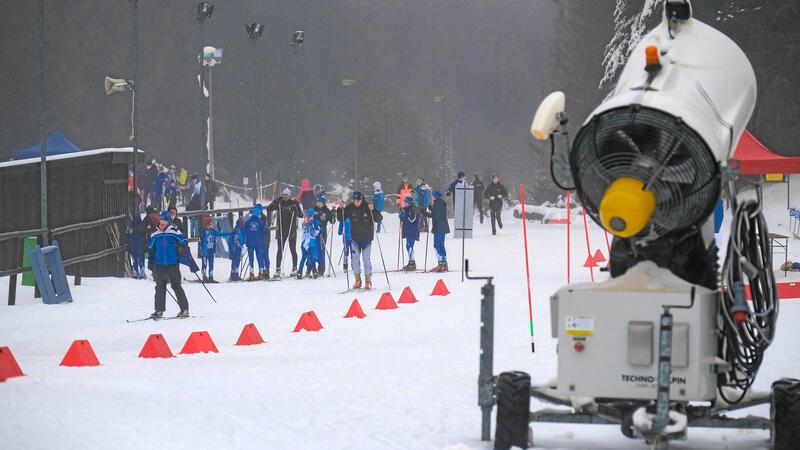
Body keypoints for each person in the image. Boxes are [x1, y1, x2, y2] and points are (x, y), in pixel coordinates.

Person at [147, 212, 190, 319]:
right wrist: (150, 263)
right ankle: (159, 310)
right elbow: (151, 250)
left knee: (176, 285)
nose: (162, 223)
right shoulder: (155, 234)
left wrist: (181, 248)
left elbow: (183, 243)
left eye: (165, 221)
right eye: (161, 221)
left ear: (169, 222)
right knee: (160, 287)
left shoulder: (174, 232)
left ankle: (184, 309)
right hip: (160, 265)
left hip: (172, 264)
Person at [336, 191, 382, 289]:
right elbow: (341, 218)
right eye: (355, 201)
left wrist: (373, 210)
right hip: (355, 239)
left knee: (366, 260)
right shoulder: (350, 207)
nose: (356, 203)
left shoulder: (367, 206)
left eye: (358, 201)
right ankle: (357, 280)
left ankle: (368, 281)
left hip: (366, 239)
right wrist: (340, 209)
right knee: (355, 260)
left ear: (362, 199)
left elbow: (379, 218)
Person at [267, 188, 302, 278]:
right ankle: (278, 269)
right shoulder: (280, 203)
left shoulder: (293, 203)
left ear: (289, 195)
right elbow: (269, 209)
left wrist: (297, 206)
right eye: (283, 194)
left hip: (291, 230)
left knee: (293, 249)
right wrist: (276, 201)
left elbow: (301, 215)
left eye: (286, 195)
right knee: (280, 250)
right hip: (281, 231)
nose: (285, 196)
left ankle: (294, 268)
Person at [424, 191, 450, 272]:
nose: (431, 197)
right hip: (442, 227)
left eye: (432, 196)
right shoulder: (440, 203)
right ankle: (444, 263)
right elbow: (437, 213)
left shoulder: (437, 204)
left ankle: (440, 263)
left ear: (435, 197)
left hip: (438, 228)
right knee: (441, 245)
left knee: (436, 245)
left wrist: (424, 213)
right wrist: (431, 209)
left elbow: (434, 215)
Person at [199, 216, 229, 283]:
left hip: (211, 251)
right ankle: (204, 277)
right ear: (207, 224)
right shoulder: (203, 231)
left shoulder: (212, 231)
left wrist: (228, 233)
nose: (212, 225)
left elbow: (219, 234)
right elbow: (201, 239)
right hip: (205, 252)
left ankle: (211, 277)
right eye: (210, 224)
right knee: (204, 264)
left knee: (211, 264)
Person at [244, 205, 269, 281]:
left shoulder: (248, 222)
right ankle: (261, 273)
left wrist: (246, 240)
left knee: (251, 258)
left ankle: (251, 273)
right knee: (259, 258)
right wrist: (261, 240)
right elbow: (263, 233)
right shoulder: (261, 222)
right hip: (258, 243)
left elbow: (245, 232)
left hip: (250, 243)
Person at [313, 195, 335, 276]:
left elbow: (332, 222)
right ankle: (311, 268)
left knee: (321, 251)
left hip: (322, 232)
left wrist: (333, 214)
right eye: (318, 202)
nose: (318, 203)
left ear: (323, 203)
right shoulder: (314, 209)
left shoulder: (326, 211)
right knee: (312, 250)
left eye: (320, 202)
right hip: (313, 233)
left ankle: (321, 269)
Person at [297, 209, 321, 279]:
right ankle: (314, 272)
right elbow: (317, 231)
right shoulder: (314, 223)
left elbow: (304, 229)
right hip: (311, 242)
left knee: (303, 258)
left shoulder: (304, 222)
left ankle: (299, 272)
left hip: (304, 242)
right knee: (311, 258)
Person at [399, 196, 420, 271]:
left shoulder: (413, 209)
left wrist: (405, 214)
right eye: (404, 202)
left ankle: (412, 262)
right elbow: (403, 218)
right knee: (408, 246)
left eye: (406, 202)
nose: (404, 203)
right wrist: (401, 215)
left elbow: (412, 219)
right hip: (408, 230)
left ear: (409, 203)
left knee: (409, 245)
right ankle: (411, 261)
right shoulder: (406, 209)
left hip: (412, 230)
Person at [126, 214, 147, 279]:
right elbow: (145, 239)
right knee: (141, 259)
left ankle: (135, 272)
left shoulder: (131, 230)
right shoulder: (142, 229)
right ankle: (141, 272)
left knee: (135, 260)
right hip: (140, 247)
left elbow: (128, 239)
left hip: (133, 247)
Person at [228, 216, 246, 281]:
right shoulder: (237, 229)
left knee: (237, 261)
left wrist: (243, 243)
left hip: (239, 248)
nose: (243, 224)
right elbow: (235, 240)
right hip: (235, 248)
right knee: (235, 261)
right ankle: (233, 275)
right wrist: (236, 246)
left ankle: (235, 274)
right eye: (242, 223)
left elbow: (244, 238)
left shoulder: (242, 229)